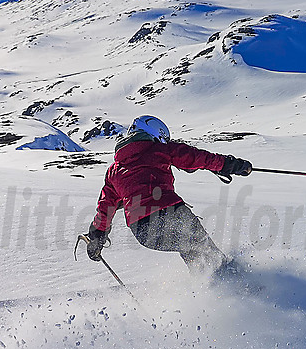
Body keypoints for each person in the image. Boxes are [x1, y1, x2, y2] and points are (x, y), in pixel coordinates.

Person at [86, 115, 252, 279]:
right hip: (170, 213)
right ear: (155, 135)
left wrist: (97, 236)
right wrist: (229, 165)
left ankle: (212, 288)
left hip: (143, 231)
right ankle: (235, 282)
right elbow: (196, 157)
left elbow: (105, 207)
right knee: (202, 247)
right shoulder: (159, 149)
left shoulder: (113, 171)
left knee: (190, 249)